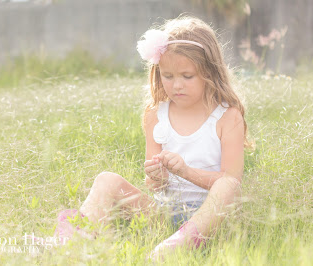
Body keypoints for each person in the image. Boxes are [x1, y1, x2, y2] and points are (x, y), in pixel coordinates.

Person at [55, 15, 250, 259]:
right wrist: (158, 176)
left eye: (187, 76)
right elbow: (155, 186)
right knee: (107, 180)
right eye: (168, 76)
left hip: (210, 218)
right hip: (163, 214)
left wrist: (186, 171)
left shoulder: (227, 117)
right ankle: (71, 244)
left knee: (228, 185)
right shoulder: (156, 115)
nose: (176, 85)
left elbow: (232, 182)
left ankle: (179, 246)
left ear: (209, 72)